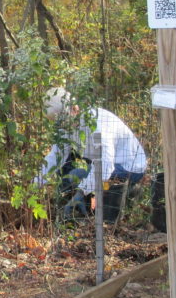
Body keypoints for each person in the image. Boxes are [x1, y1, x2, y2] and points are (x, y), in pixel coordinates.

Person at [37, 87, 147, 218]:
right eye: (57, 122)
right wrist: (34, 184)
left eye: (63, 120)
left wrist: (81, 192)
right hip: (102, 163)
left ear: (74, 108)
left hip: (129, 166)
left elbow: (106, 166)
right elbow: (55, 157)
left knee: (81, 178)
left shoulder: (97, 125)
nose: (61, 125)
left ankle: (129, 192)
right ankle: (77, 212)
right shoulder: (65, 127)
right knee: (70, 176)